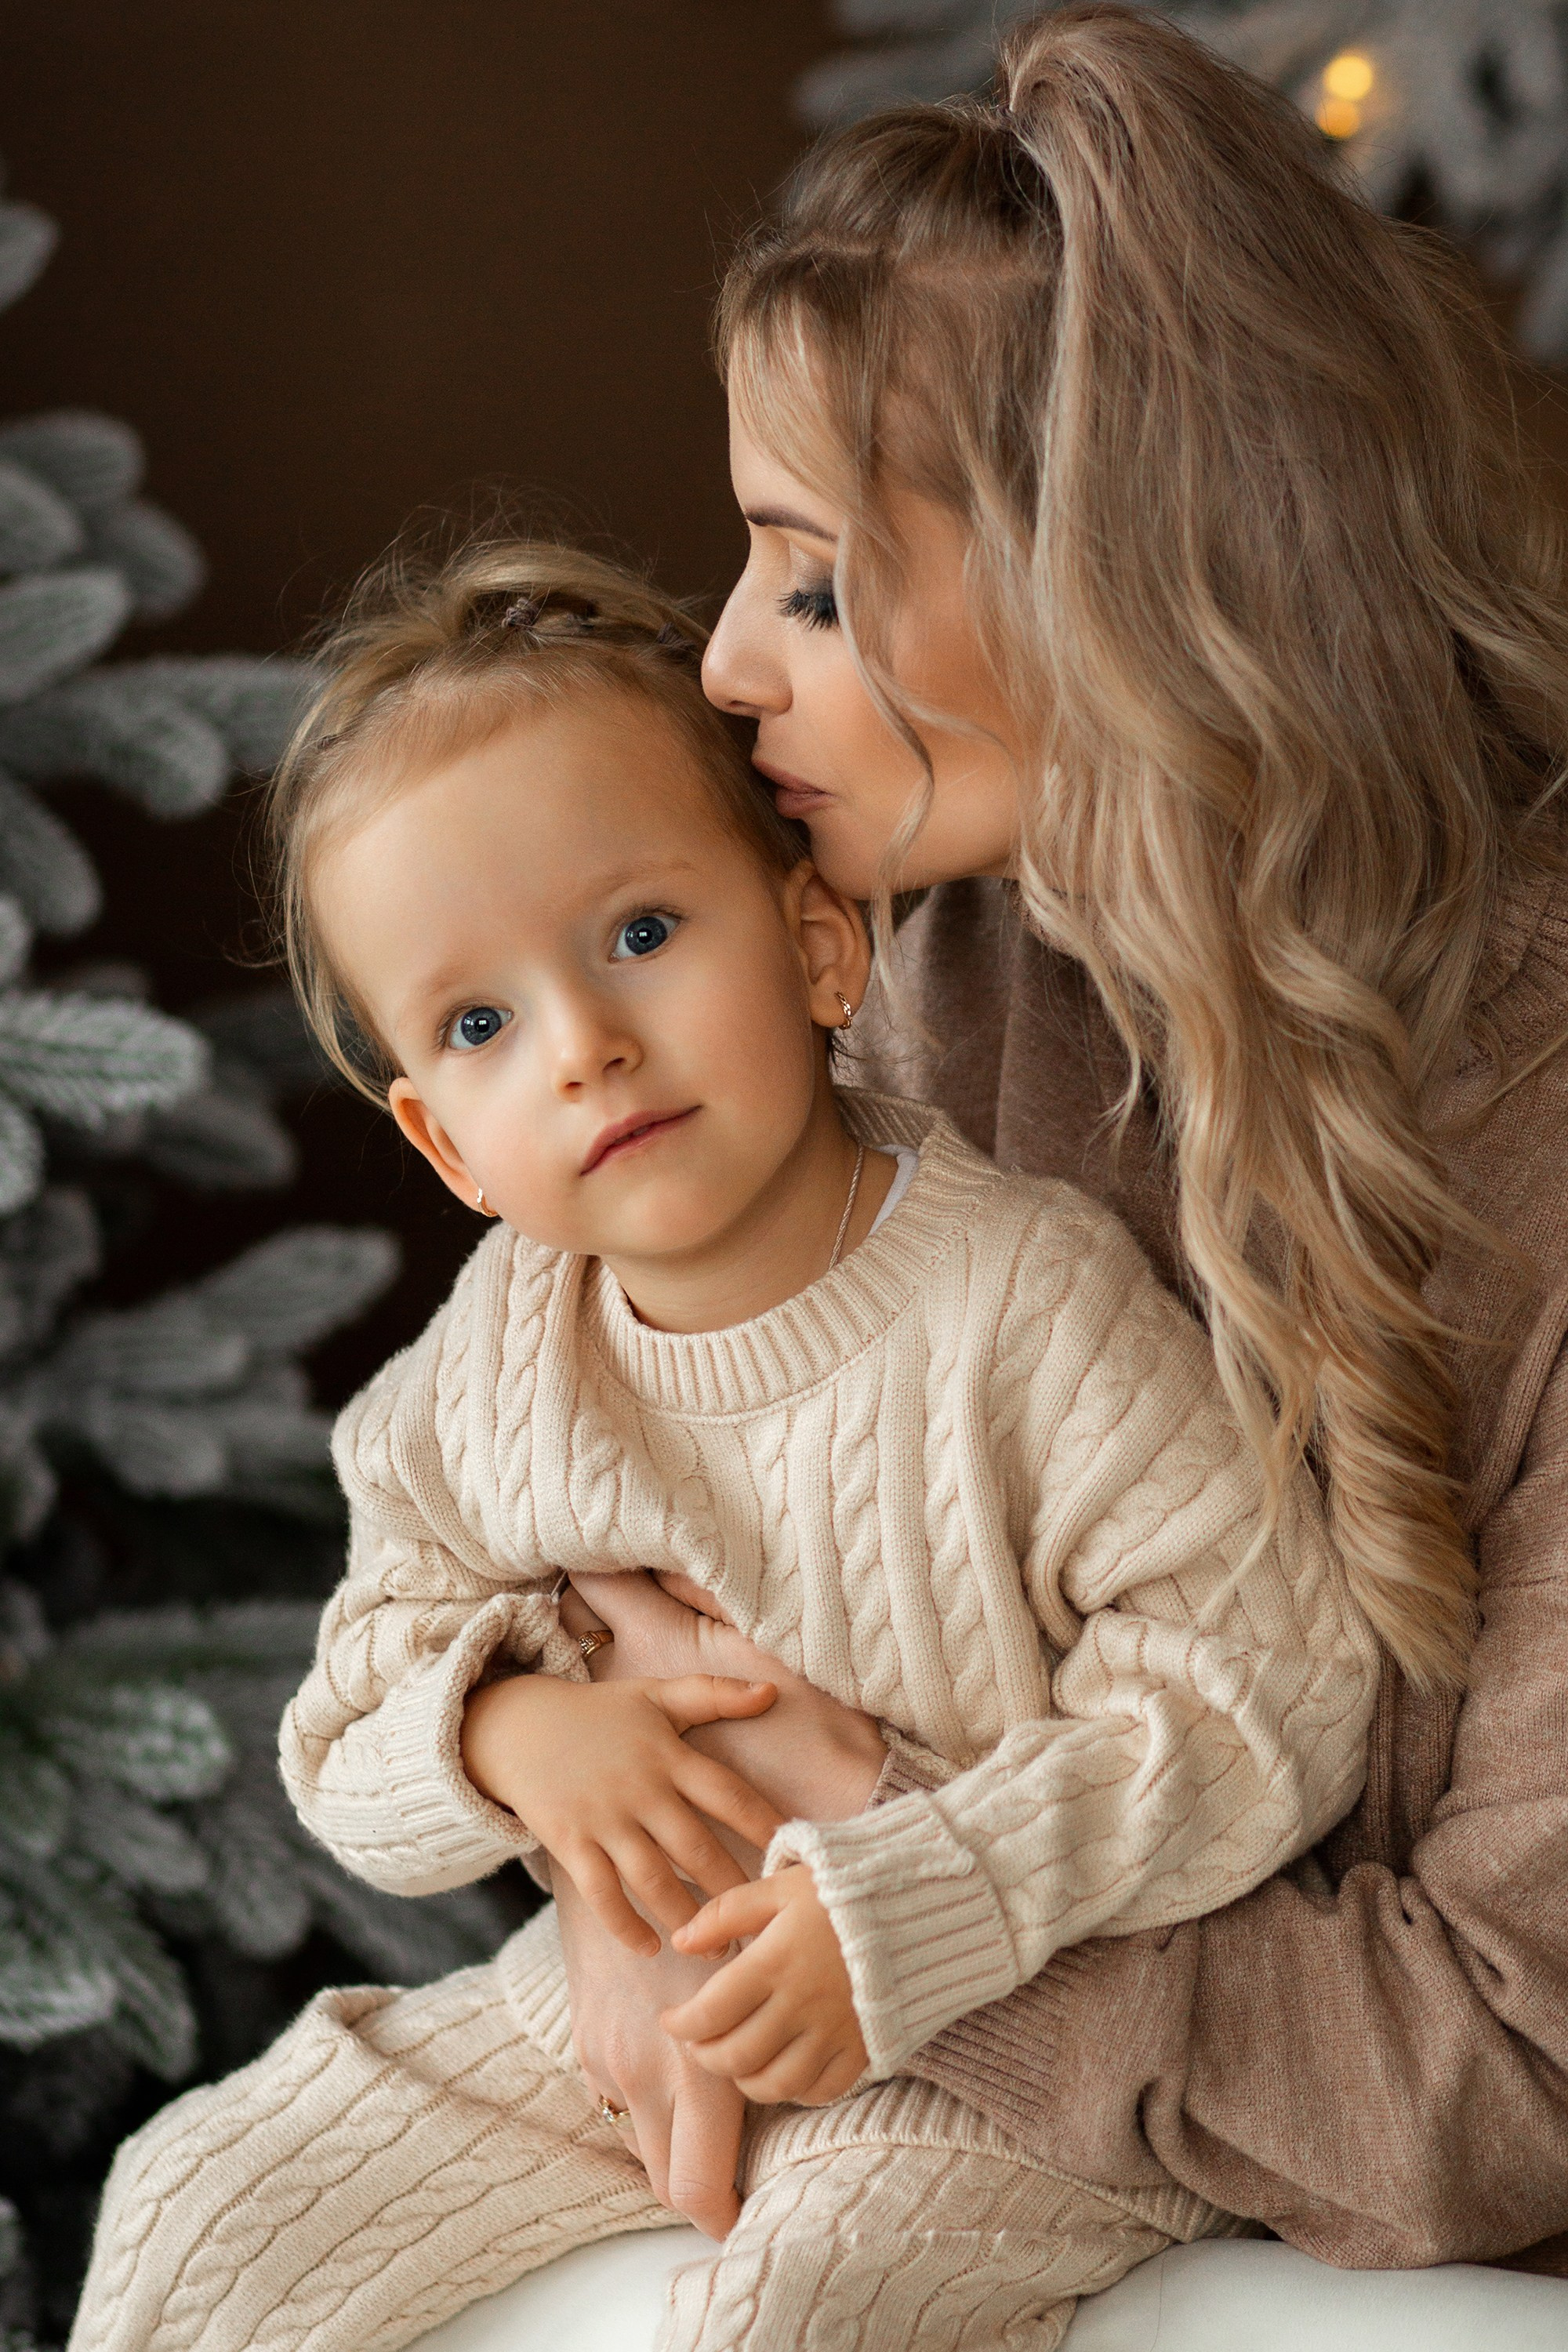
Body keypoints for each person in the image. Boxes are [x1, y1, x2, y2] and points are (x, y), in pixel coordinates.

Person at [66, 529, 1375, 2352]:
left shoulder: (1019, 1303)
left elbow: (1269, 1684)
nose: (585, 1046)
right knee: (194, 2204)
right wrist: (516, 1732)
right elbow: (341, 1725)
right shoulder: (503, 1349)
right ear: (445, 1146)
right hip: (622, 2001)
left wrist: (926, 1899)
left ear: (821, 945)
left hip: (986, 2049)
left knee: (790, 2320)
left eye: (641, 933)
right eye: (479, 1021)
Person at [556, 0, 1568, 2288]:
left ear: (1112, 571)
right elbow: (646, 1517)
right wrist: (629, 1872)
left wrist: (895, 1877)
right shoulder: (938, 970)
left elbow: (1513, 2072)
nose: (722, 662)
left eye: (813, 580)